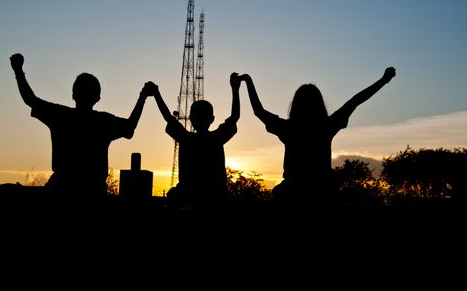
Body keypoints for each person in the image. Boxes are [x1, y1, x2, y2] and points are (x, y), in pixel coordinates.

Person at [241, 67, 396, 206]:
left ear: (296, 105)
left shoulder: (289, 128)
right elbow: (355, 101)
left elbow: (258, 111)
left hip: (293, 193)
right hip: (324, 193)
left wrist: (247, 82)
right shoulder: (326, 126)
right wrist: (383, 81)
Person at [10, 53, 153, 200]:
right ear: (97, 97)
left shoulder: (61, 116)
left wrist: (18, 71)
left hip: (61, 191)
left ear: (73, 94)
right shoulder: (103, 122)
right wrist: (143, 97)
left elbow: (30, 99)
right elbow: (130, 127)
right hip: (92, 192)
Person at [149, 73, 242, 208]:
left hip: (190, 196)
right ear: (212, 119)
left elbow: (168, 118)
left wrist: (157, 94)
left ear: (191, 118)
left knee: (172, 196)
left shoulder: (186, 139)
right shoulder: (216, 138)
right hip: (214, 197)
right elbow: (235, 116)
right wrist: (235, 89)